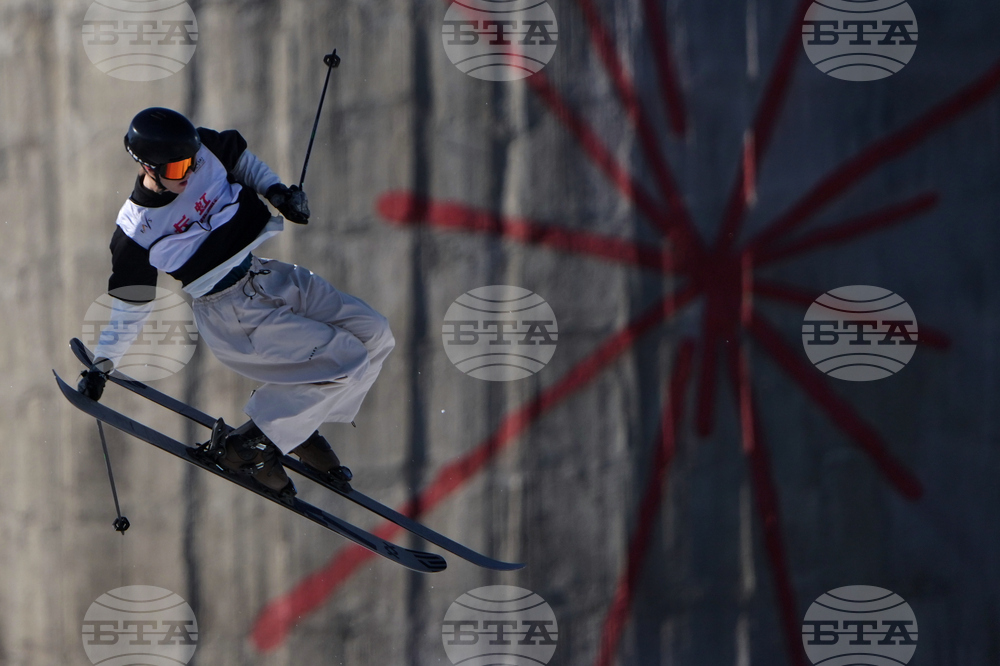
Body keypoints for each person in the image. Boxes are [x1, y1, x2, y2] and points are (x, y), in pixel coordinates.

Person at [77, 107, 395, 501]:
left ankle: (291, 426)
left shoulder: (202, 148)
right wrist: (102, 365)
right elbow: (131, 306)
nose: (190, 173)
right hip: (231, 312)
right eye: (177, 170)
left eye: (191, 162)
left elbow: (242, 162)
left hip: (264, 274)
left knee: (374, 334)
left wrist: (277, 192)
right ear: (148, 167)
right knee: (346, 359)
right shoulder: (135, 230)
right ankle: (247, 449)